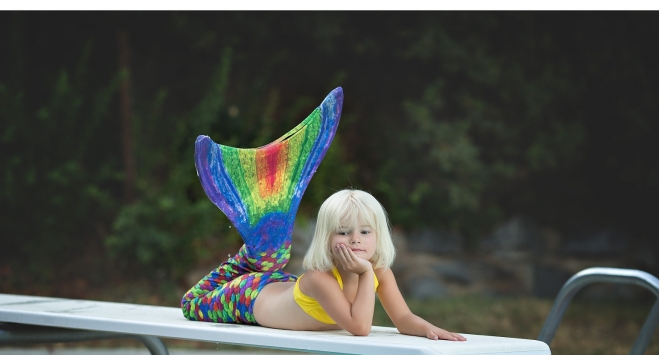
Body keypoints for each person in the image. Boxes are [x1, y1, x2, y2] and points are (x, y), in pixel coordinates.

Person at [181, 87, 464, 341]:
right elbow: (359, 327)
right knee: (192, 303)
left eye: (365, 232)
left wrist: (428, 329)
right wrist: (364, 273)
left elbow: (402, 319)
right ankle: (256, 251)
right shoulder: (320, 279)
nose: (355, 240)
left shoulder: (379, 271)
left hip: (281, 286)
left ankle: (262, 253)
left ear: (378, 236)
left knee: (271, 254)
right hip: (247, 296)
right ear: (327, 239)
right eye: (343, 232)